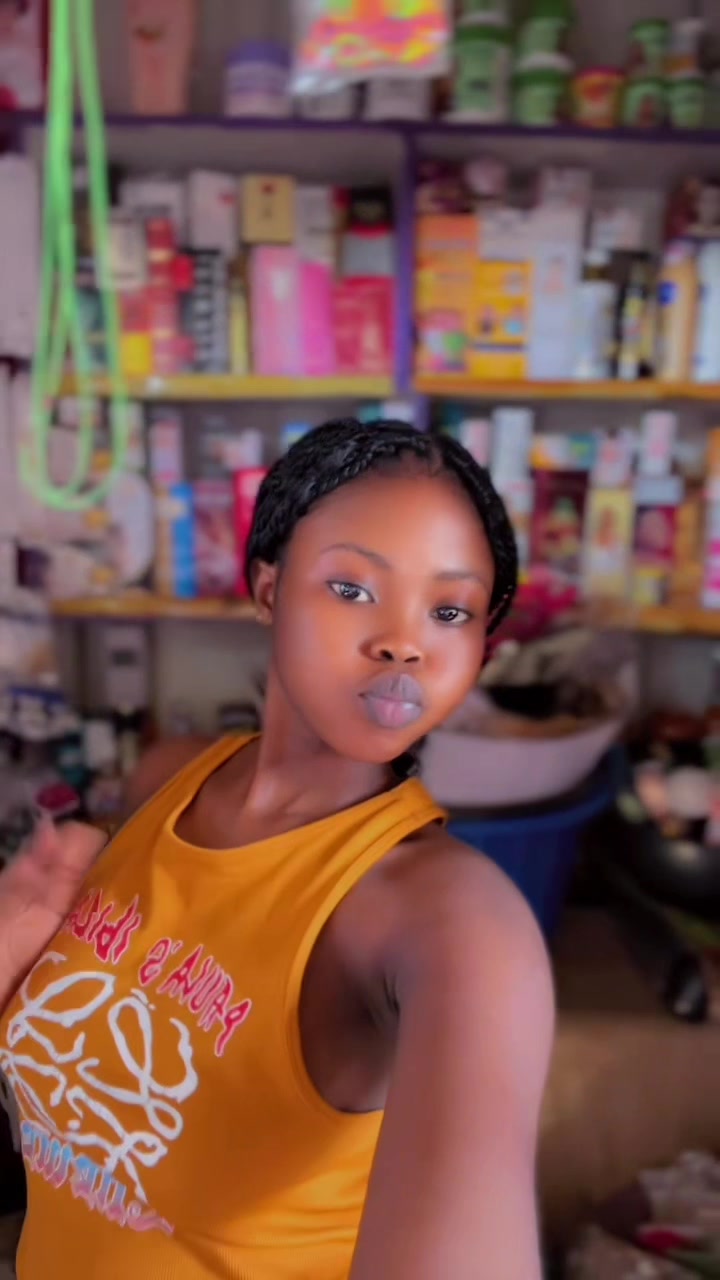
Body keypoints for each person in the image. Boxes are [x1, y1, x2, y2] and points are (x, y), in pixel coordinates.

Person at [0, 419, 554, 1279]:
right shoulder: (166, 779)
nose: (403, 641)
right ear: (268, 586)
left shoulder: (455, 924)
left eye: (450, 611)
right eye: (353, 588)